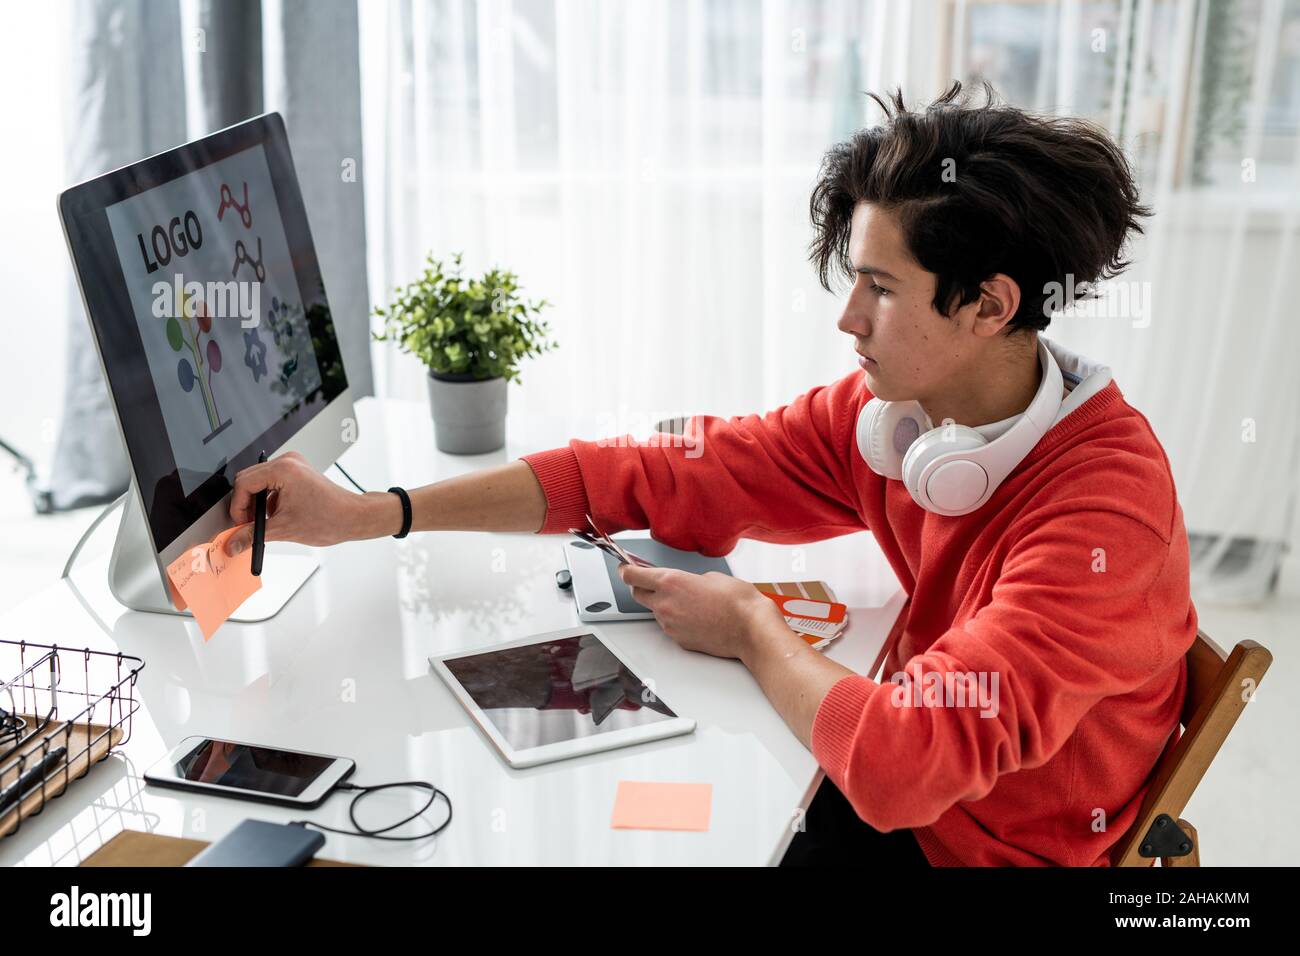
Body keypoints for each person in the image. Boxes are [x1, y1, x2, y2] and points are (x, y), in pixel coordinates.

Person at [223, 82, 1196, 866]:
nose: (846, 318)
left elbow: (903, 764)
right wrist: (371, 515)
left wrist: (749, 628)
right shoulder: (903, 421)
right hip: (919, 809)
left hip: (985, 848)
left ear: (988, 304)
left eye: (882, 287)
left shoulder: (1104, 519)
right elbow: (652, 471)